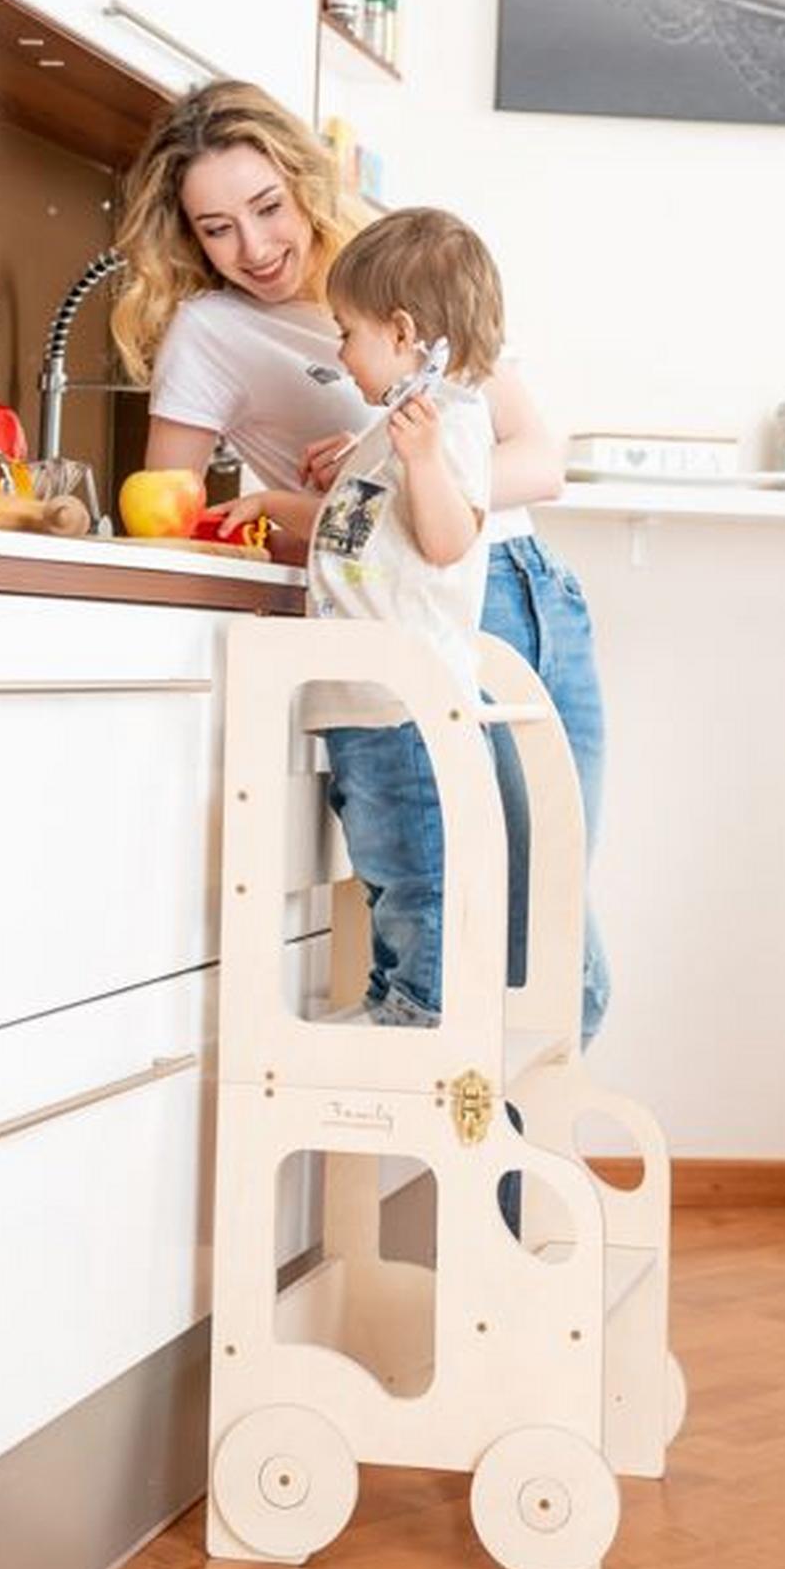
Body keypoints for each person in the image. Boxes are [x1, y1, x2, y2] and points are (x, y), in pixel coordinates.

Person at [112, 78, 609, 1040]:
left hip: (533, 594)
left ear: (303, 183)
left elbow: (540, 460)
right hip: (429, 617)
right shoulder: (210, 334)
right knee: (512, 950)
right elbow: (168, 515)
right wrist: (373, 488)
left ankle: (520, 1179)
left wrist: (388, 468)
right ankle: (501, 1183)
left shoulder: (390, 280)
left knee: (552, 918)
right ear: (189, 238)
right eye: (216, 228)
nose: (253, 248)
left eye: (265, 208)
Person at [209, 207, 496, 1024]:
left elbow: (447, 542)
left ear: (403, 335)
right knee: (386, 869)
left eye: (348, 332)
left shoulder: (450, 430)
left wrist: (423, 458)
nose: (340, 352)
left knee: (415, 875)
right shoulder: (393, 435)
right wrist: (271, 504)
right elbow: (363, 530)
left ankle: (423, 1010)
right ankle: (399, 994)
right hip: (365, 709)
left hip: (402, 710)